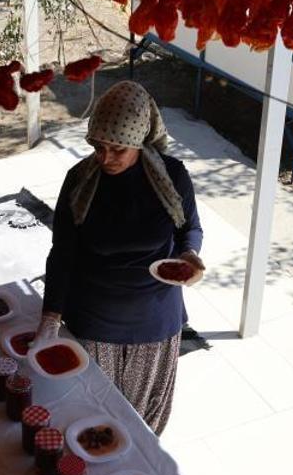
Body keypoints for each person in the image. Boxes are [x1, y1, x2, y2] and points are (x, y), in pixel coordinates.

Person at [37, 81, 204, 435]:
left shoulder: (172, 176)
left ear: (139, 143)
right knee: (92, 418)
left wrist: (189, 254)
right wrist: (51, 316)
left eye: (118, 149)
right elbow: (63, 252)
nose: (106, 158)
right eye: (98, 147)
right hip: (95, 320)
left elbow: (190, 228)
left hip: (156, 321)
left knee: (142, 424)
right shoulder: (80, 181)